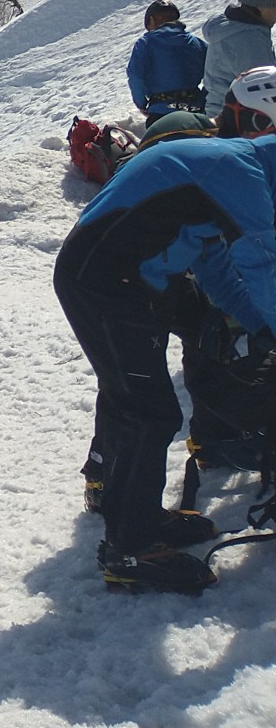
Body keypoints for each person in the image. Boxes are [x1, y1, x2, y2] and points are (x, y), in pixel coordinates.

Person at [55, 70, 276, 594]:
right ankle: (128, 550)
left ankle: (134, 513)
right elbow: (263, 263)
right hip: (111, 283)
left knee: (130, 393)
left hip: (126, 277)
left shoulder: (226, 166)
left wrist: (258, 326)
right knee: (147, 408)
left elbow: (220, 270)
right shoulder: (237, 172)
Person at [200, 0, 276, 113]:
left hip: (223, 116)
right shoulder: (248, 40)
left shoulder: (234, 29)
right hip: (240, 124)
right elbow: (266, 92)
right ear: (261, 4)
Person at [127, 0, 207, 121]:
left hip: (161, 112)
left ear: (151, 21)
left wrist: (141, 104)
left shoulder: (146, 42)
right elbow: (216, 72)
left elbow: (136, 76)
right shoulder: (196, 42)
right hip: (196, 111)